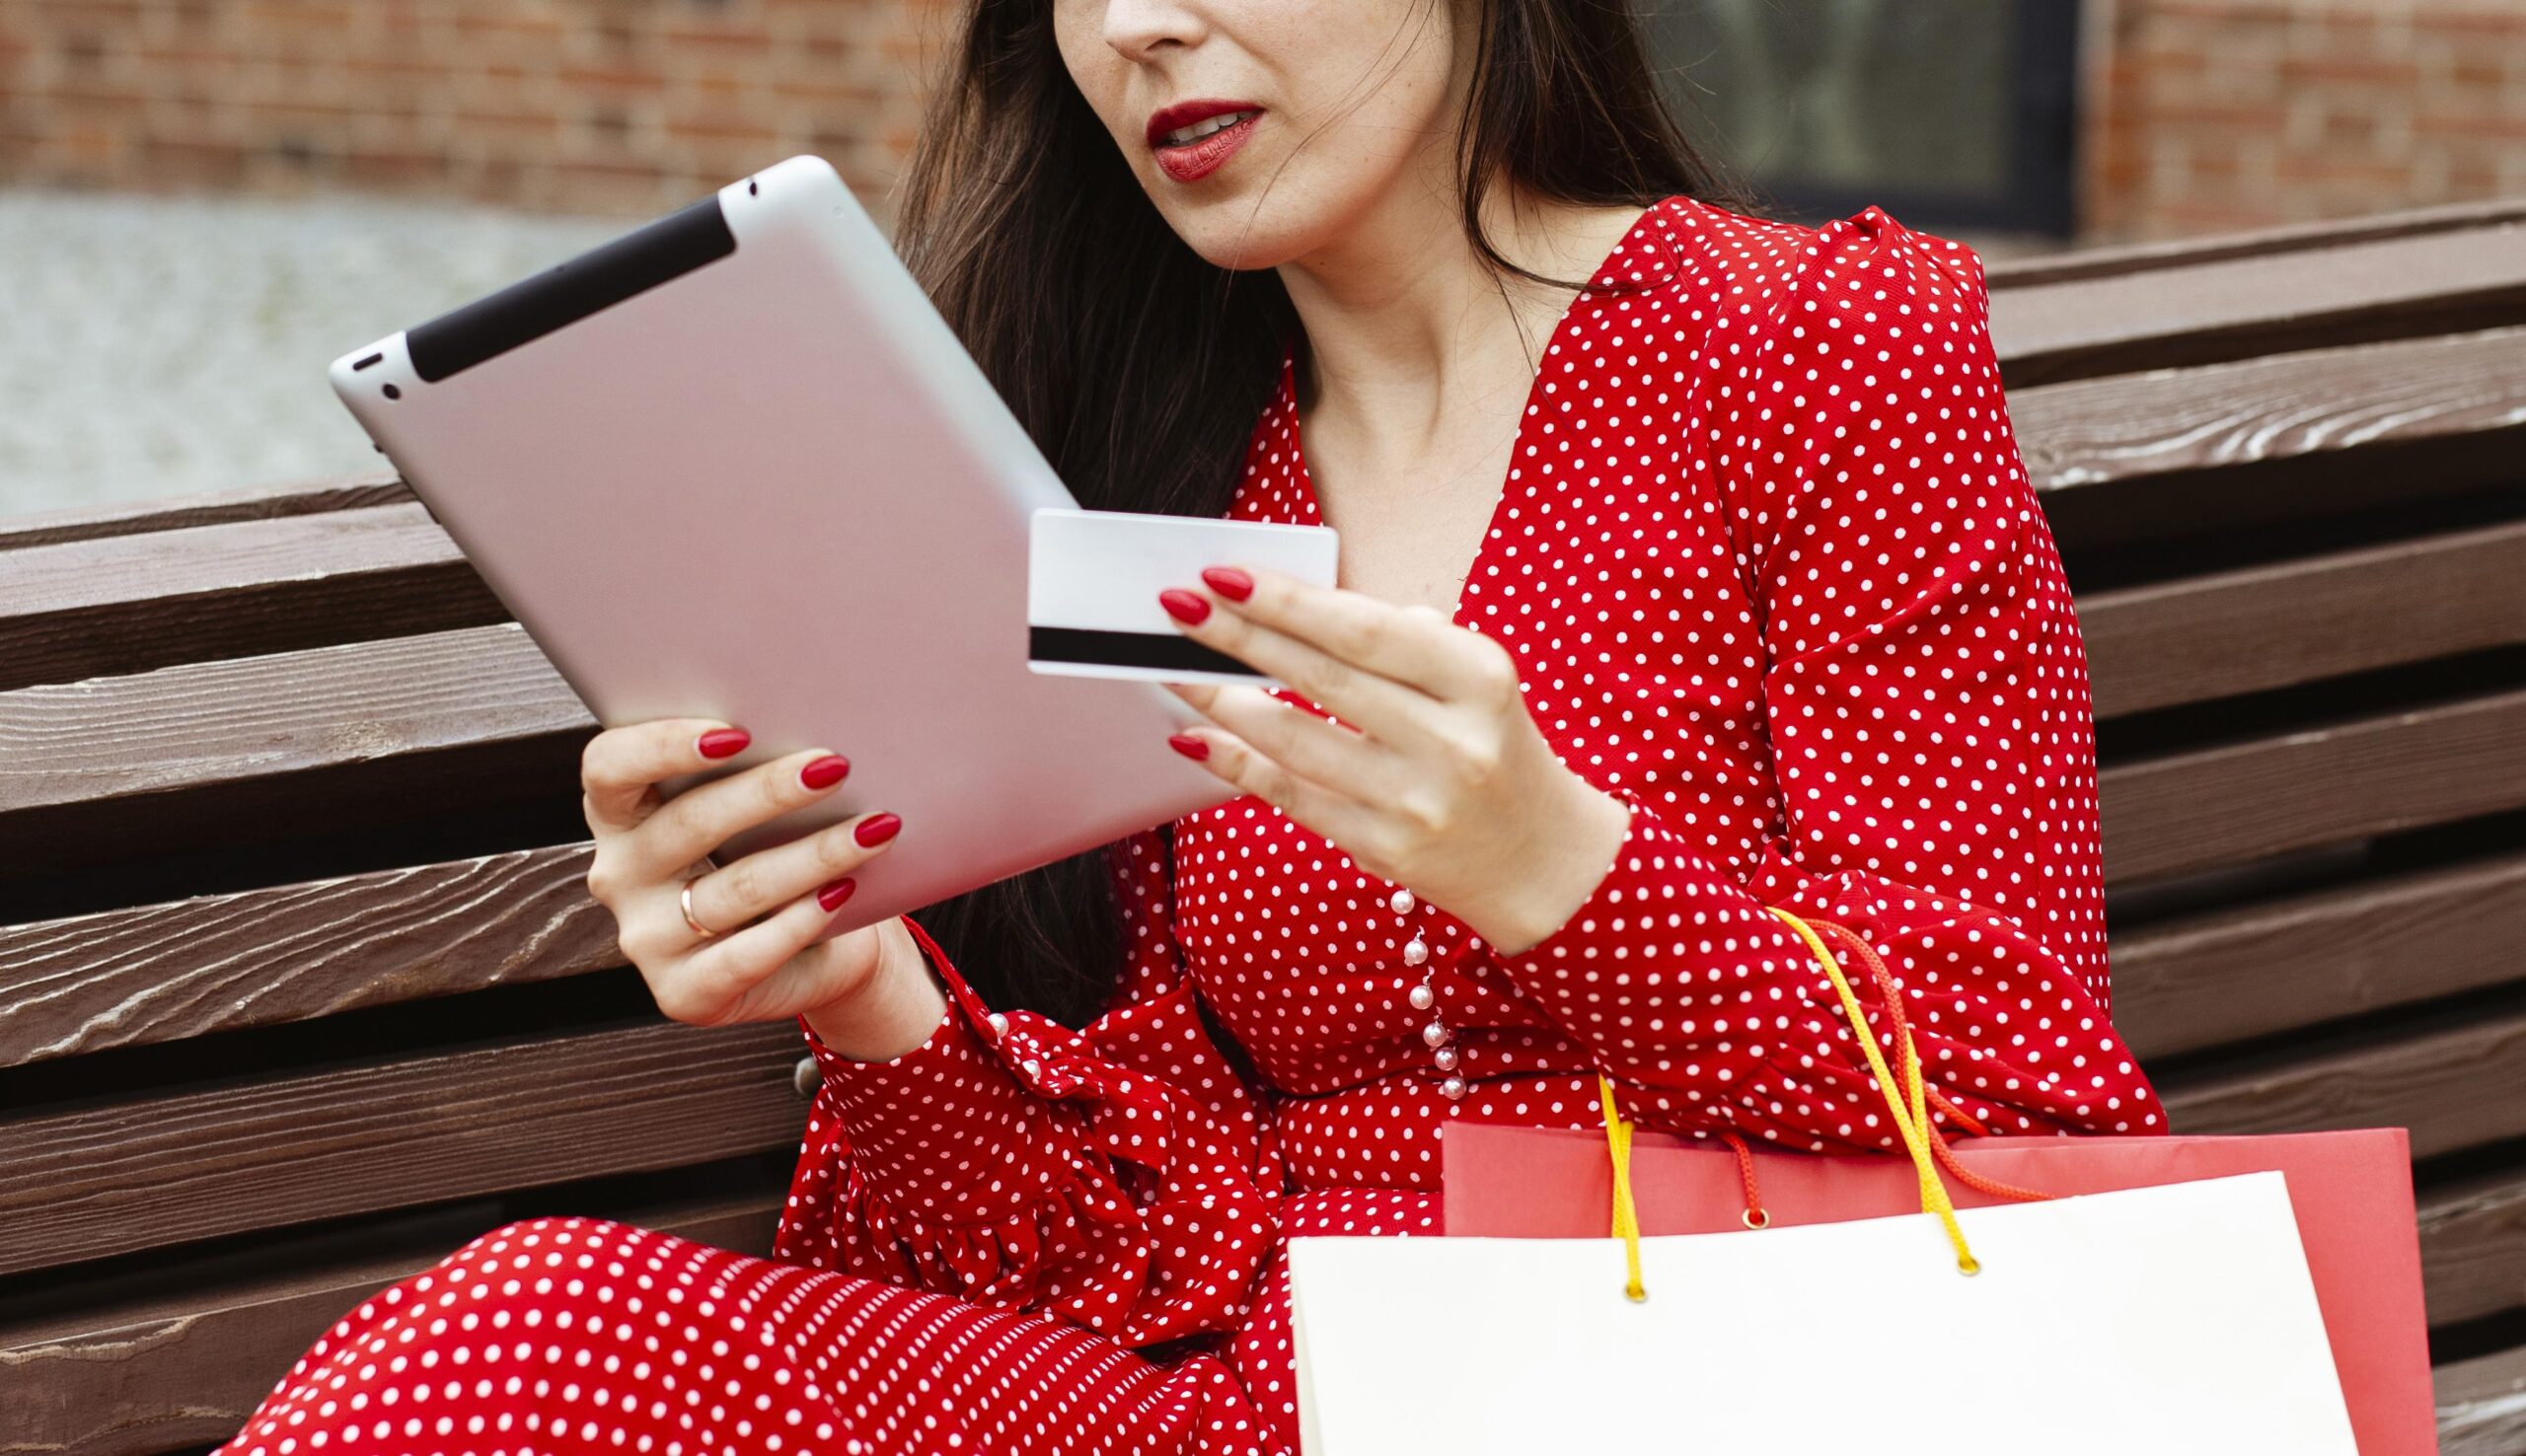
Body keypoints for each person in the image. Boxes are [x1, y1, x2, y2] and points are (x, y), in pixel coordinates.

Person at [219, 0, 2164, 1451]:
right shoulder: (1142, 488)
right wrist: (856, 979)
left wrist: (1551, 871)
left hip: (1745, 1377)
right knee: (524, 1331)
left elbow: (2018, 1068)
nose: (1139, 26)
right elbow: (1138, 1257)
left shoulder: (1809, 349)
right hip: (1280, 1395)